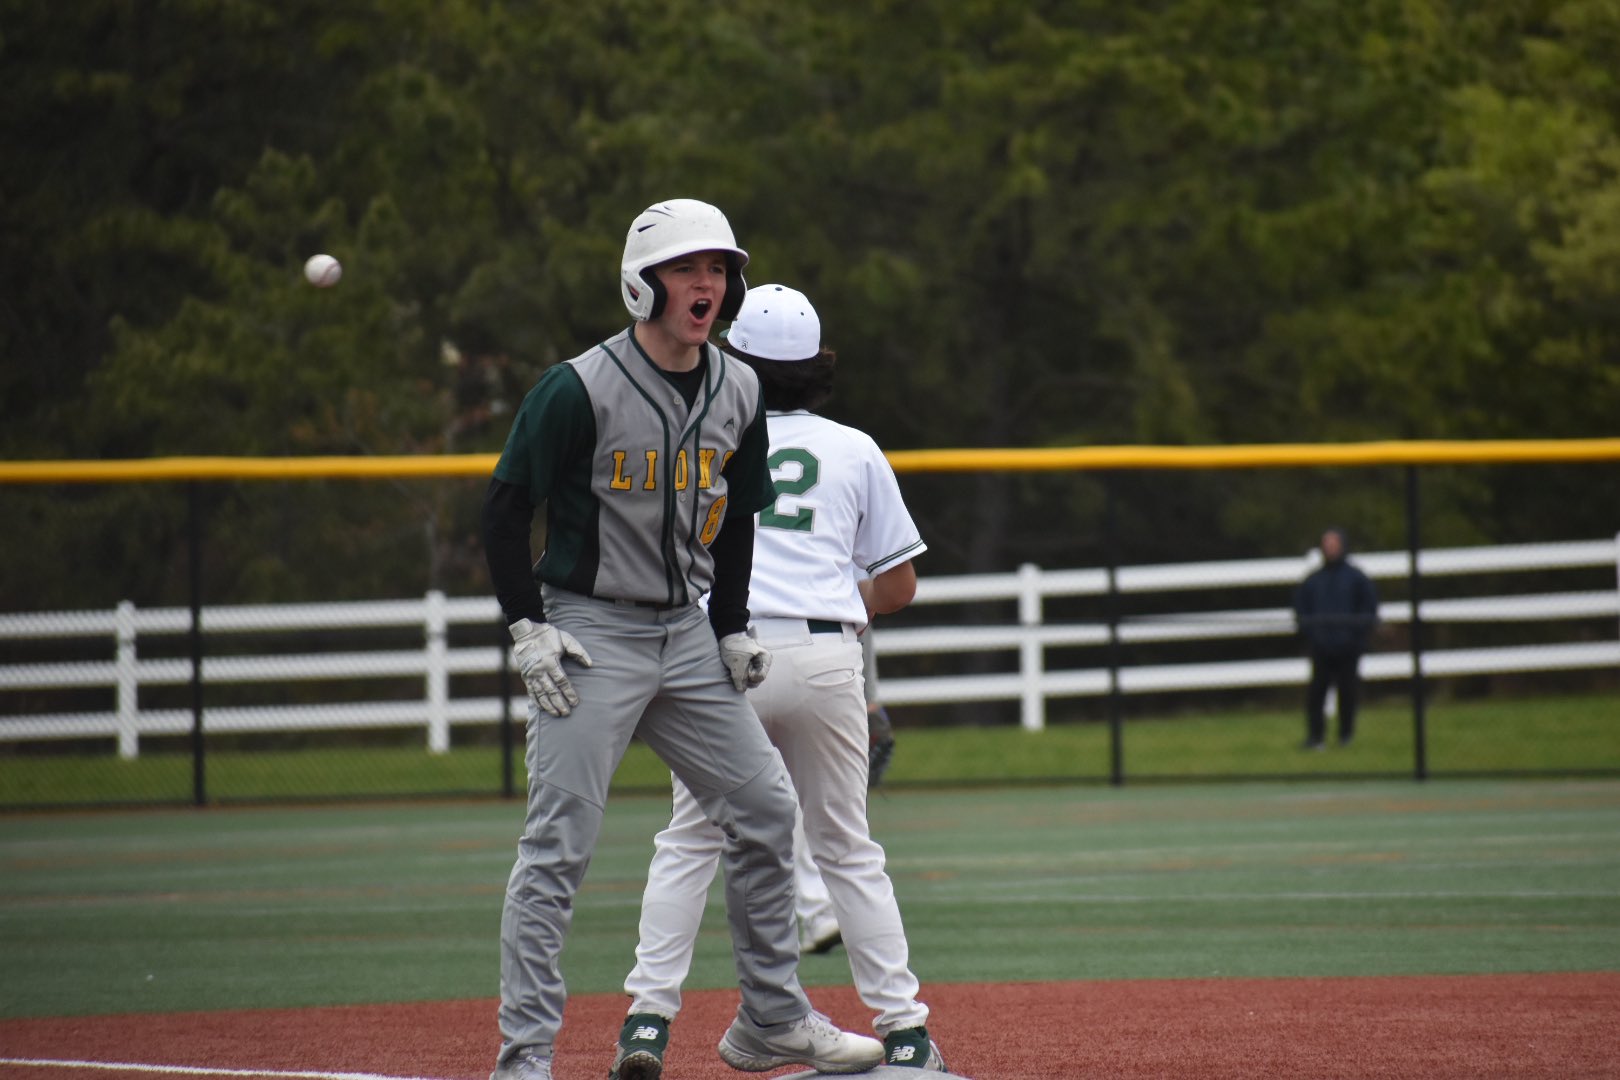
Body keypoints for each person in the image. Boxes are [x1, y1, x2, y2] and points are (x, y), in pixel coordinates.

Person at [480, 202, 882, 1080]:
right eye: (687, 270)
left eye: (718, 271)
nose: (706, 286)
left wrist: (730, 627)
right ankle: (524, 1057)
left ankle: (772, 1021)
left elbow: (738, 517)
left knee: (767, 812)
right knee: (559, 843)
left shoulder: (737, 387)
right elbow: (506, 509)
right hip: (589, 628)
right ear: (642, 283)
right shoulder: (576, 387)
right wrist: (528, 628)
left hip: (684, 629)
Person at [618, 283, 946, 1077]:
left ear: (734, 358)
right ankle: (903, 1031)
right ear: (817, 368)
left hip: (718, 655)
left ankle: (647, 1026)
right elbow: (898, 587)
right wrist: (837, 608)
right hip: (826, 654)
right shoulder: (855, 447)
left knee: (690, 841)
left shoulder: (700, 433)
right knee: (845, 848)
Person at [795, 630, 894, 956]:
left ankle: (817, 912)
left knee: (695, 838)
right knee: (841, 819)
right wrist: (871, 697)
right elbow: (875, 597)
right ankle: (897, 998)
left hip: (750, 663)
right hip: (832, 668)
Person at [1292, 526, 1380, 749]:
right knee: (1316, 694)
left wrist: (1356, 636)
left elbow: (1369, 609)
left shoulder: (1357, 579)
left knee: (1348, 693)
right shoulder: (1313, 581)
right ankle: (1315, 737)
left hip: (1349, 647)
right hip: (1321, 647)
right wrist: (1313, 635)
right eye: (1326, 544)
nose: (1330, 548)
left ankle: (1345, 736)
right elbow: (1301, 611)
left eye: (1334, 543)